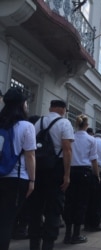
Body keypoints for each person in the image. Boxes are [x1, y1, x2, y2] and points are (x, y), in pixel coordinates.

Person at [28, 100, 74, 250]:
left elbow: (30, 146)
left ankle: (34, 243)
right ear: (63, 110)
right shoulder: (65, 123)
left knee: (36, 207)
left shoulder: (38, 122)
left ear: (50, 108)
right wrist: (67, 175)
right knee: (54, 208)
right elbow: (67, 150)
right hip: (56, 168)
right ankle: (48, 244)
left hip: (38, 168)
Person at [0, 87, 36, 250]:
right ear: (21, 105)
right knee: (6, 222)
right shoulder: (26, 126)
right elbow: (30, 156)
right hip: (16, 178)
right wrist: (32, 180)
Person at [63, 114, 99, 244]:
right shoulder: (91, 140)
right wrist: (97, 175)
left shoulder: (71, 137)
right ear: (87, 125)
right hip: (84, 172)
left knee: (69, 202)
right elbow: (94, 159)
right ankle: (76, 234)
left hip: (70, 171)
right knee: (81, 203)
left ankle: (67, 233)